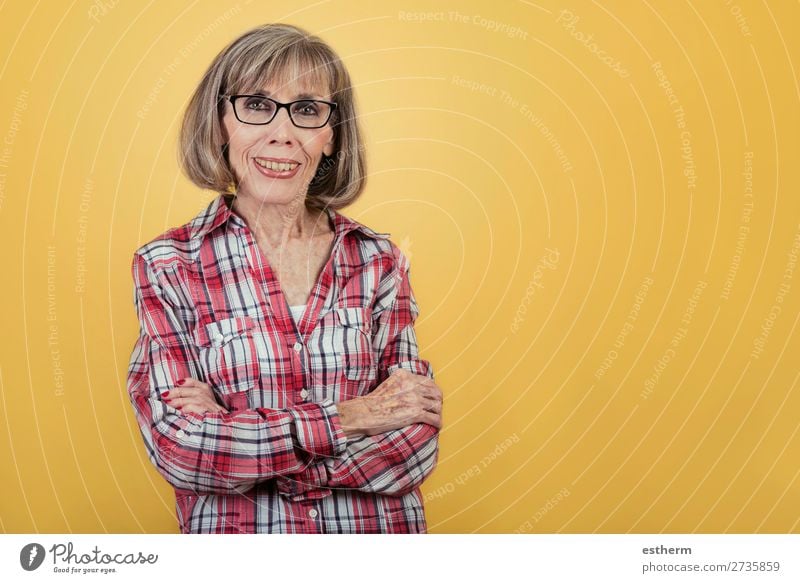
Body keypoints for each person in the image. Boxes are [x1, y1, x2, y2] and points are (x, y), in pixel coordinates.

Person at [125, 23, 443, 534]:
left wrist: (248, 449)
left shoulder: (378, 259)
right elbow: (182, 449)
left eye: (308, 109)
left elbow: (414, 445)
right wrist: (354, 417)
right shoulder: (169, 264)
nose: (282, 132)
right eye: (256, 105)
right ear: (219, 123)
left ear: (332, 135)